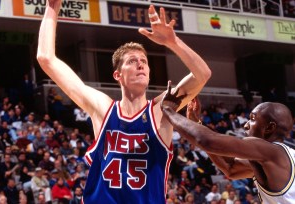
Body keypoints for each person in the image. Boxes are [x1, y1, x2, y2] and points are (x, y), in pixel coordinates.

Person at [37, 1, 211, 203]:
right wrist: (52, 8)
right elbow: (46, 58)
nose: (140, 64)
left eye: (144, 62)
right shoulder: (103, 108)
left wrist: (173, 43)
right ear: (117, 75)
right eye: (132, 61)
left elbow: (202, 75)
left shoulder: (162, 109)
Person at [161, 81, 295, 203]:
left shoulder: (271, 152)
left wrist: (168, 110)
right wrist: (196, 123)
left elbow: (207, 141)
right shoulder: (276, 159)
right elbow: (230, 169)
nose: (246, 125)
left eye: (253, 119)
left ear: (269, 128)